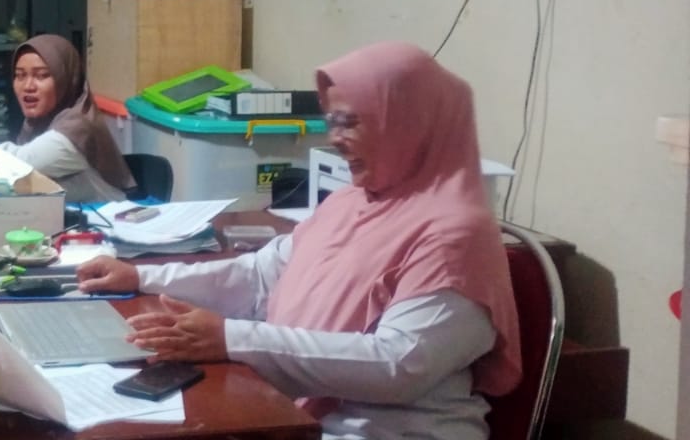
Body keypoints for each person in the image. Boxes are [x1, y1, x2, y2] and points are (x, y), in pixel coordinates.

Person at [75, 41, 521, 439]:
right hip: (298, 415)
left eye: (352, 123)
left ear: (410, 124)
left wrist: (233, 339)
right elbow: (259, 275)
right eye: (333, 123)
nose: (336, 140)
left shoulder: (455, 235)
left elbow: (398, 364)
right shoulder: (353, 202)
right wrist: (141, 277)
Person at [0, 34, 135, 203]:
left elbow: (20, 165)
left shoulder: (76, 127)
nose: (28, 86)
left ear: (65, 79)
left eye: (41, 75)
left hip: (107, 228)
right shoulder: (39, 122)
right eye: (20, 75)